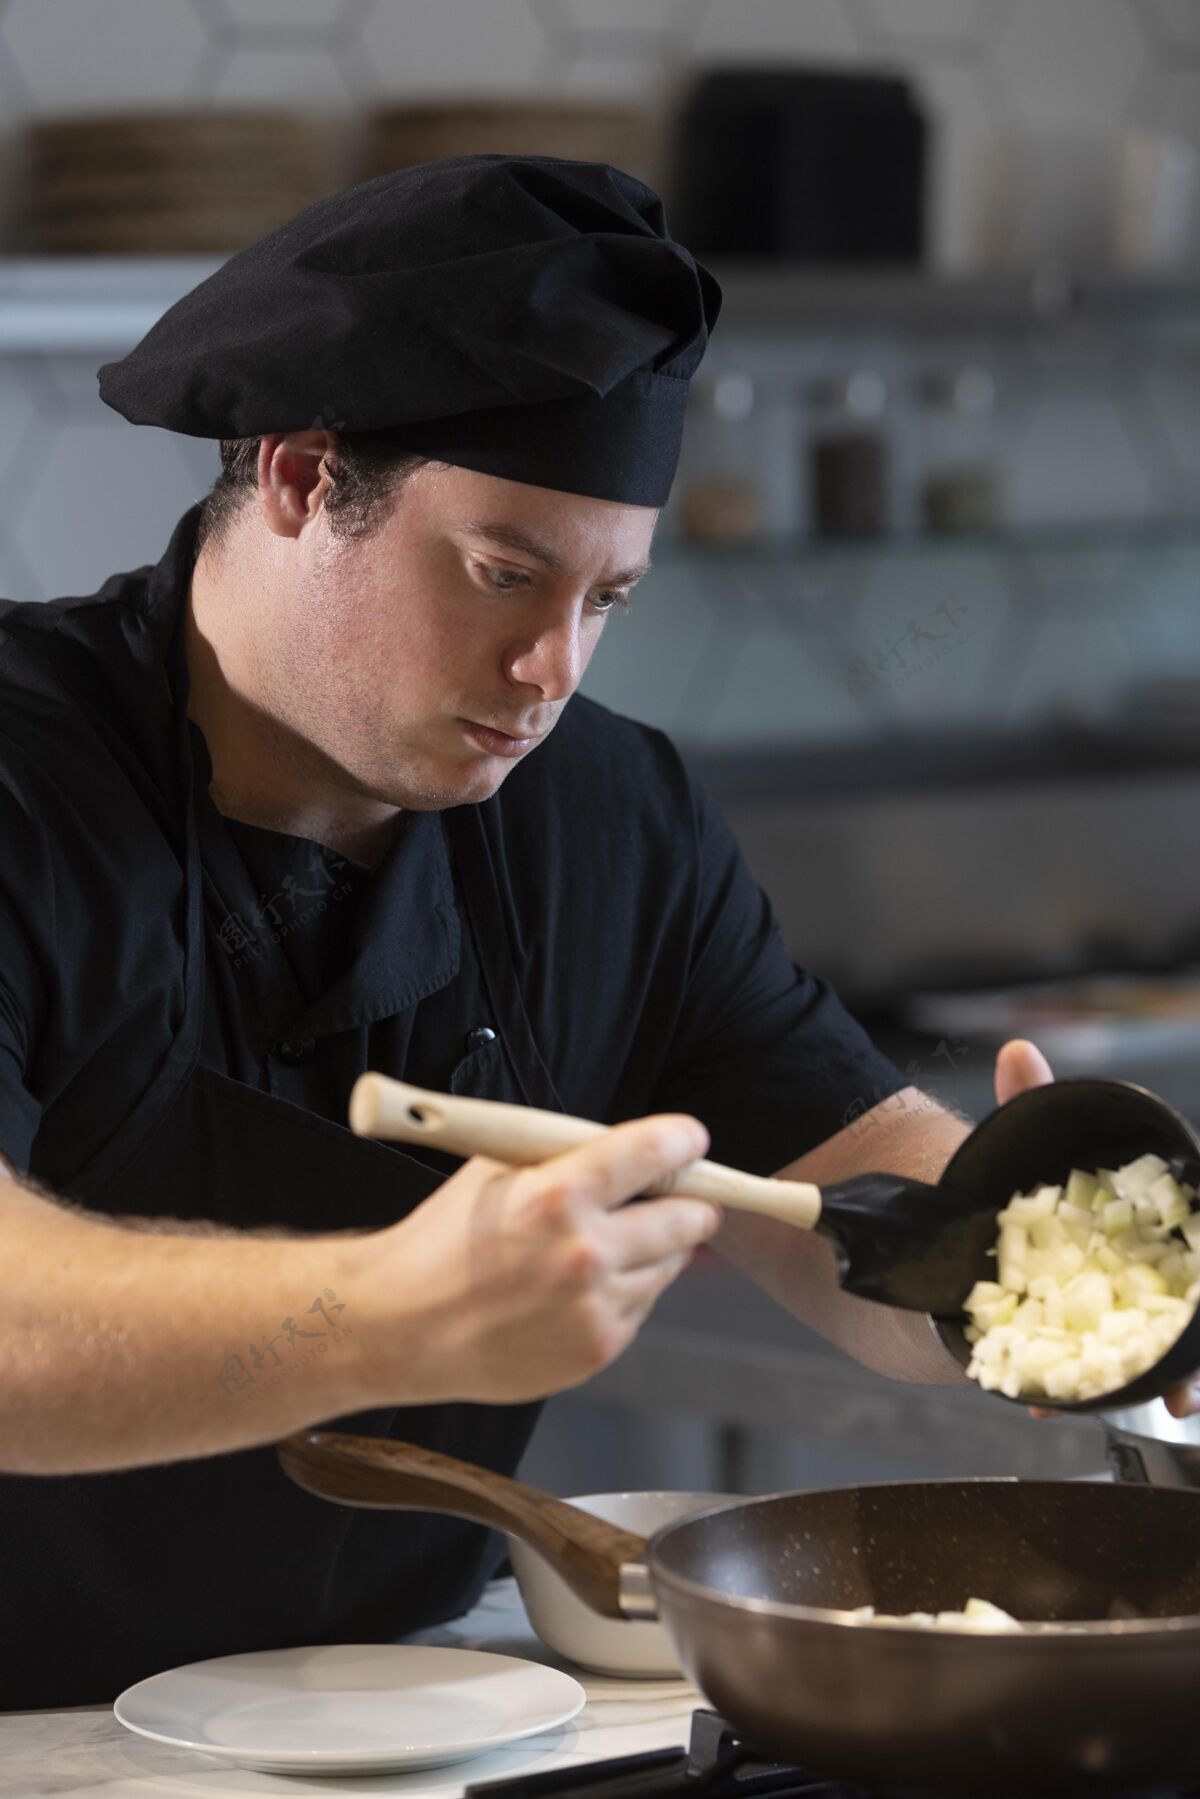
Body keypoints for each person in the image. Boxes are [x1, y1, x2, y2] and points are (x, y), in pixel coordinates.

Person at [0, 155, 1154, 1710]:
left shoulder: (605, 817)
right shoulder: (24, 784)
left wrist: (1037, 1269)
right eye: (502, 573)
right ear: (293, 474)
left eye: (609, 597)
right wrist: (405, 1310)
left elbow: (838, 1195)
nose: (551, 666)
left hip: (407, 1714)